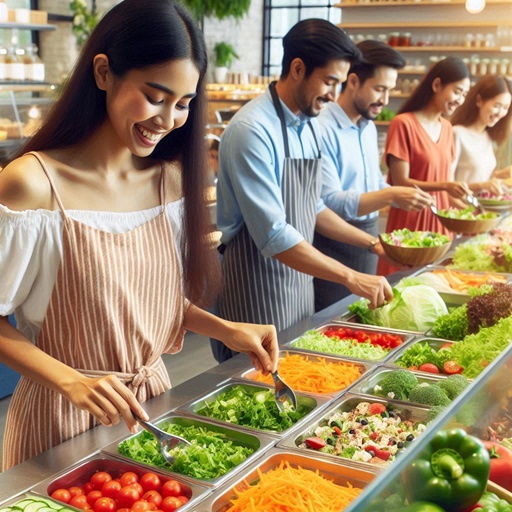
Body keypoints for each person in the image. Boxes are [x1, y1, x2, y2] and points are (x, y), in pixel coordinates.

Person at [0, 0, 279, 471]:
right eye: (155, 96)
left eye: (184, 104)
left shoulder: (168, 181)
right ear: (104, 72)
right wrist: (72, 382)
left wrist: (227, 329)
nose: (168, 119)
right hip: (60, 418)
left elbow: (146, 302)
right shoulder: (31, 184)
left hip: (151, 408)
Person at [212, 19, 394, 363]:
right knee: (255, 393)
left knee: (298, 376)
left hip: (299, 285)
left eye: (339, 83)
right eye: (329, 81)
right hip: (255, 287)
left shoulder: (307, 127)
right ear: (297, 68)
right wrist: (351, 276)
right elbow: (274, 234)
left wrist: (372, 243)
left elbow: (315, 207)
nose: (333, 93)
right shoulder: (252, 130)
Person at [314, 40, 433, 311]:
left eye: (390, 90)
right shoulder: (322, 128)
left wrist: (399, 195)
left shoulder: (367, 126)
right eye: (380, 89)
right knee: (332, 325)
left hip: (369, 241)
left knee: (364, 322)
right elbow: (329, 203)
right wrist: (390, 194)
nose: (386, 100)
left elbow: (374, 182)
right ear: (353, 81)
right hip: (333, 243)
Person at [377, 56, 471, 276]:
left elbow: (443, 187)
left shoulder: (447, 128)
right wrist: (446, 185)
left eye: (465, 95)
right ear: (437, 85)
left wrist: (467, 212)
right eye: (457, 91)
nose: (460, 100)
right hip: (409, 225)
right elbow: (401, 182)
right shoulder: (404, 123)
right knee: (398, 291)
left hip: (439, 227)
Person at [450, 74, 512, 194]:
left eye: (505, 108)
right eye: (496, 106)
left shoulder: (487, 137)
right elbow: (447, 185)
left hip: (482, 209)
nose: (500, 113)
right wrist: (482, 185)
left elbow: (479, 177)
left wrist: (500, 175)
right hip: (461, 210)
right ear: (479, 100)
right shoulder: (457, 134)